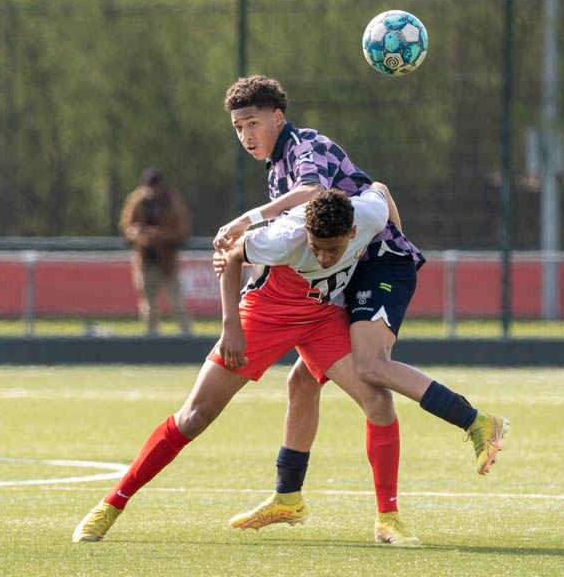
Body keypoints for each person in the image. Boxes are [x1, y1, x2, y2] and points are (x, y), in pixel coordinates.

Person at [213, 75, 509, 530]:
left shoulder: (305, 146)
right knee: (301, 383)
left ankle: (477, 423)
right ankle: (287, 498)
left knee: (371, 367)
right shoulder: (276, 168)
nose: (246, 136)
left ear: (278, 117)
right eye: (238, 128)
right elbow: (381, 191)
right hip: (350, 270)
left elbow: (313, 192)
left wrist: (393, 247)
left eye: (252, 123)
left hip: (380, 268)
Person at [75, 186, 425, 545]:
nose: (322, 257)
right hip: (266, 313)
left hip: (322, 315)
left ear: (352, 231)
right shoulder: (282, 237)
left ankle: (388, 518)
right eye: (315, 246)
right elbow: (230, 258)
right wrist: (232, 327)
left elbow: (379, 190)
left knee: (378, 401)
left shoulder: (366, 212)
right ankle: (110, 505)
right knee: (195, 416)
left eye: (331, 249)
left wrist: (393, 258)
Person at [119, 168, 192, 335]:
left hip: (168, 260)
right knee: (149, 304)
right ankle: (151, 337)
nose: (152, 191)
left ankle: (187, 336)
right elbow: (126, 227)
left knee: (177, 303)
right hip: (145, 259)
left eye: (156, 187)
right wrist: (139, 235)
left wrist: (158, 235)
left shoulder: (172, 201)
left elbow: (182, 231)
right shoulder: (137, 201)